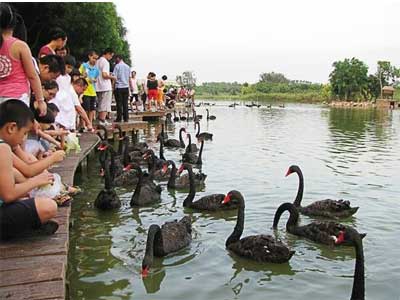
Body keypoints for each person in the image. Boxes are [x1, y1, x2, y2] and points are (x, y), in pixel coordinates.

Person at [0, 100, 61, 240]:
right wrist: (36, 181)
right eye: (25, 133)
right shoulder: (2, 148)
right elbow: (8, 195)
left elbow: (27, 170)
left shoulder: (5, 147)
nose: (23, 138)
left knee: (18, 178)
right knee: (48, 207)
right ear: (11, 128)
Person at [0, 3, 46, 115]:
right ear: (14, 23)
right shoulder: (19, 46)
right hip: (17, 99)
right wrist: (40, 100)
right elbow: (32, 75)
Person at [95, 48, 116, 126]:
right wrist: (113, 77)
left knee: (100, 103)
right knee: (105, 104)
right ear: (107, 53)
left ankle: (100, 119)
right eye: (111, 55)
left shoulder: (97, 61)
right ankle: (102, 120)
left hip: (98, 85)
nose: (111, 57)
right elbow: (104, 75)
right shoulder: (105, 62)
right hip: (105, 86)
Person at [79, 50, 99, 125]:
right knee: (85, 109)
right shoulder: (84, 66)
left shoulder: (96, 69)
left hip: (93, 91)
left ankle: (89, 124)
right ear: (89, 56)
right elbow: (78, 76)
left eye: (96, 59)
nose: (95, 60)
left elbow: (96, 78)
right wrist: (84, 77)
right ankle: (83, 125)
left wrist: (94, 80)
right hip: (85, 91)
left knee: (92, 109)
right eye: (93, 58)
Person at [113, 54, 131, 122]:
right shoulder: (128, 67)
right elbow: (129, 78)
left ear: (118, 58)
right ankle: (126, 118)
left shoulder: (117, 66)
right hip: (126, 87)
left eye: (115, 59)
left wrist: (113, 87)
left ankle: (119, 118)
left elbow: (114, 78)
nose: (115, 60)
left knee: (119, 103)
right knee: (125, 103)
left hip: (119, 87)